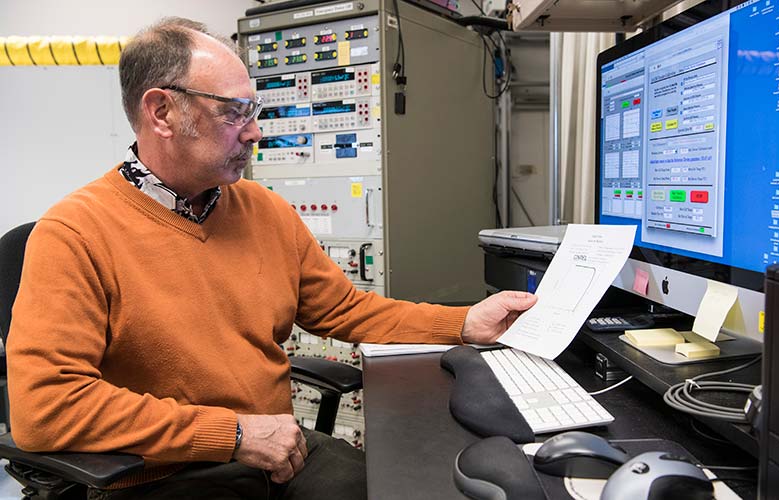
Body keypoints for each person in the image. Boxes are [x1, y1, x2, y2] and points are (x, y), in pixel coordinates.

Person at [6, 17, 537, 500]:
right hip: (155, 474)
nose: (255, 132)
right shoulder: (73, 234)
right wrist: (231, 434)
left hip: (273, 452)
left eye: (253, 111)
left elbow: (347, 310)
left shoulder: (262, 209)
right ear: (161, 112)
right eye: (233, 113)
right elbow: (47, 407)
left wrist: (464, 322)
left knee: (401, 488)